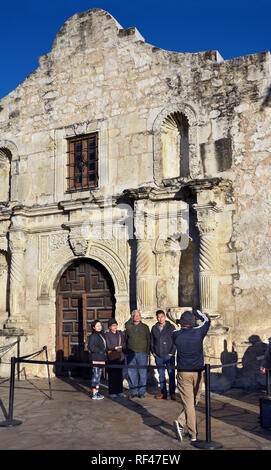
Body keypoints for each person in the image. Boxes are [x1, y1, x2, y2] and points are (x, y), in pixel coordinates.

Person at [172, 309, 210, 443]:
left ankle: (181, 422)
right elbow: (207, 320)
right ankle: (193, 434)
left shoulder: (175, 334)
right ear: (193, 323)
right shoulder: (199, 332)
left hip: (184, 372)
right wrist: (197, 311)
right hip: (197, 372)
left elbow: (178, 330)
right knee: (192, 402)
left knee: (191, 402)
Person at [150, 310, 176, 400]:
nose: (160, 319)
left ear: (165, 317)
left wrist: (171, 353)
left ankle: (172, 393)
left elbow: (175, 341)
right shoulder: (154, 328)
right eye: (158, 317)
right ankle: (163, 393)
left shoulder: (171, 327)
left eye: (161, 316)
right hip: (158, 355)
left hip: (169, 355)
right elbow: (152, 341)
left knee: (171, 374)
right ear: (157, 318)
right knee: (161, 375)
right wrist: (153, 352)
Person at [125, 310, 150, 398]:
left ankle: (141, 392)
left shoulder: (145, 327)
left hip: (142, 353)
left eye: (138, 315)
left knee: (142, 373)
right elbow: (125, 340)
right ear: (132, 317)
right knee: (132, 373)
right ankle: (133, 392)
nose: (137, 317)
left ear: (140, 316)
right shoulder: (128, 327)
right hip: (131, 354)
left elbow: (148, 340)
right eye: (135, 315)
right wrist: (126, 352)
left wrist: (147, 352)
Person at [105, 318, 126, 398]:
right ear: (109, 327)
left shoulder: (120, 334)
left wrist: (121, 347)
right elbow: (108, 345)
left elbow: (124, 343)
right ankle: (112, 392)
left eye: (115, 325)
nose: (115, 327)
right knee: (112, 375)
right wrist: (115, 347)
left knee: (119, 375)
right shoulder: (107, 335)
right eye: (113, 325)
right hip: (111, 357)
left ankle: (119, 391)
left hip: (120, 357)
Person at [87, 320, 107, 400]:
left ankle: (97, 392)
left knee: (98, 376)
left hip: (101, 358)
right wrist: (100, 350)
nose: (99, 327)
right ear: (94, 327)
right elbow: (91, 347)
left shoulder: (101, 334)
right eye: (97, 326)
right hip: (96, 358)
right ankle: (94, 393)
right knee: (95, 376)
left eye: (100, 325)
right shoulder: (93, 336)